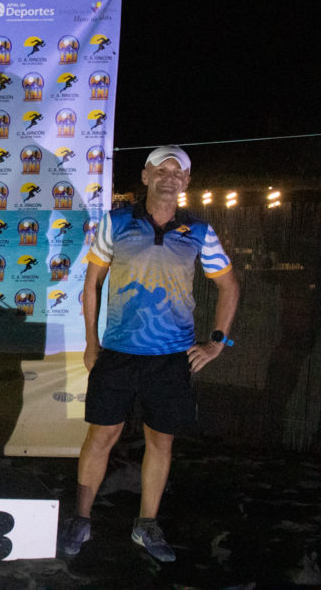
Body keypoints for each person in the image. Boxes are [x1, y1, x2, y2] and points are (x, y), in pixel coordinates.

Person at [59, 145, 239, 562]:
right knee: (100, 437)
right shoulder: (117, 221)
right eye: (162, 170)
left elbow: (229, 286)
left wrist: (217, 342)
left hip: (172, 357)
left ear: (187, 181)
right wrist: (91, 342)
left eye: (178, 172)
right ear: (146, 176)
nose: (169, 178)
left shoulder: (199, 230)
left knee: (161, 442)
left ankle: (146, 525)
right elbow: (92, 285)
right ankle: (81, 519)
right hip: (118, 352)